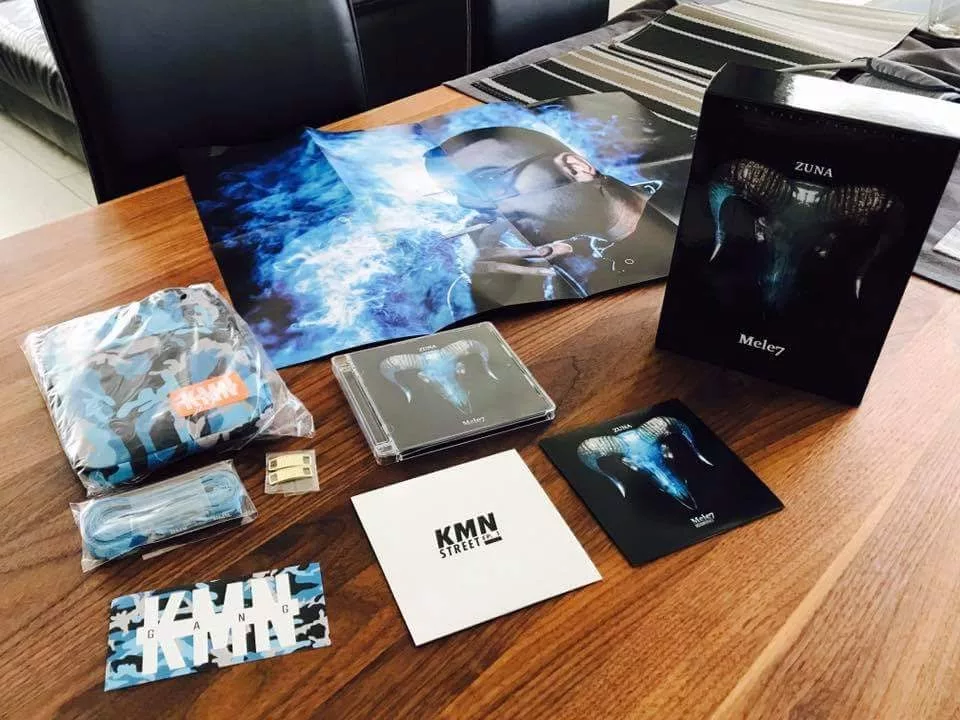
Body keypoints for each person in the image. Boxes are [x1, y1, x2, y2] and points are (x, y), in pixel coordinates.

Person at [424, 126, 679, 309]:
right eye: (467, 197)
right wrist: (507, 300)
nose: (486, 207)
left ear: (575, 168)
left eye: (490, 180)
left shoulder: (688, 195)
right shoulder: (576, 268)